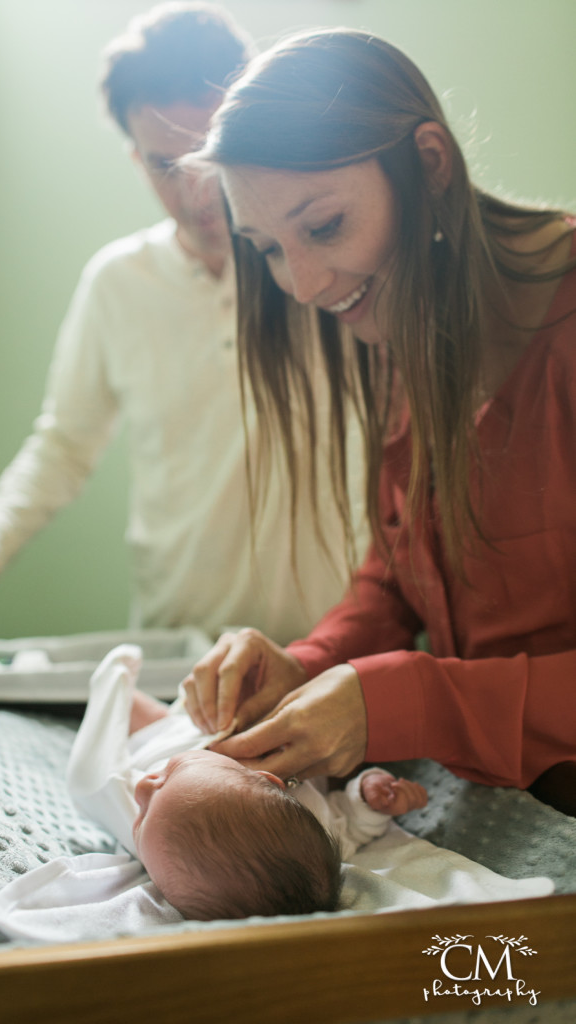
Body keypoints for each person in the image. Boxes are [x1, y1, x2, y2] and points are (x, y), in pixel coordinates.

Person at [180, 28, 576, 793]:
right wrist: (307, 663)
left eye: (323, 226)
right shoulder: (406, 312)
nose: (298, 284)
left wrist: (411, 699)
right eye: (264, 246)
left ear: (429, 164)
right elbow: (404, 570)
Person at [0, 4, 364, 645]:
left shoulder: (319, 264)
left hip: (331, 645)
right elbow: (64, 446)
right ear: (136, 159)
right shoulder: (117, 284)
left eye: (208, 151)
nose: (195, 190)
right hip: (177, 649)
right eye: (164, 164)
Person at [66, 643, 427, 920]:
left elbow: (88, 776)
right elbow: (349, 825)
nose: (143, 787)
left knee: (139, 712)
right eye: (168, 778)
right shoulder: (305, 829)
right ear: (270, 780)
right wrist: (367, 800)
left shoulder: (146, 827)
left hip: (158, 738)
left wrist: (113, 675)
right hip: (210, 729)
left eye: (142, 821)